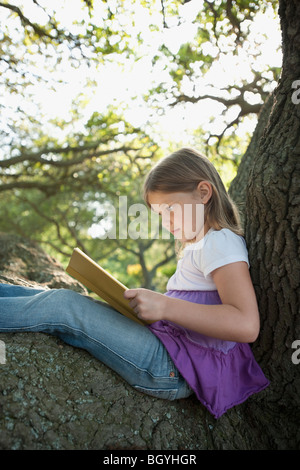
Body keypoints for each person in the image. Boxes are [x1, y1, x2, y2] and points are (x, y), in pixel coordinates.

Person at [0, 148, 269, 419]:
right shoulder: (200, 244)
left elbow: (246, 325)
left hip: (176, 367)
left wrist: (164, 306)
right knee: (48, 295)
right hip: (171, 350)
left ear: (203, 193)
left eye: (170, 209)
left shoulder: (220, 242)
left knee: (64, 305)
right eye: (160, 214)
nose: (166, 222)